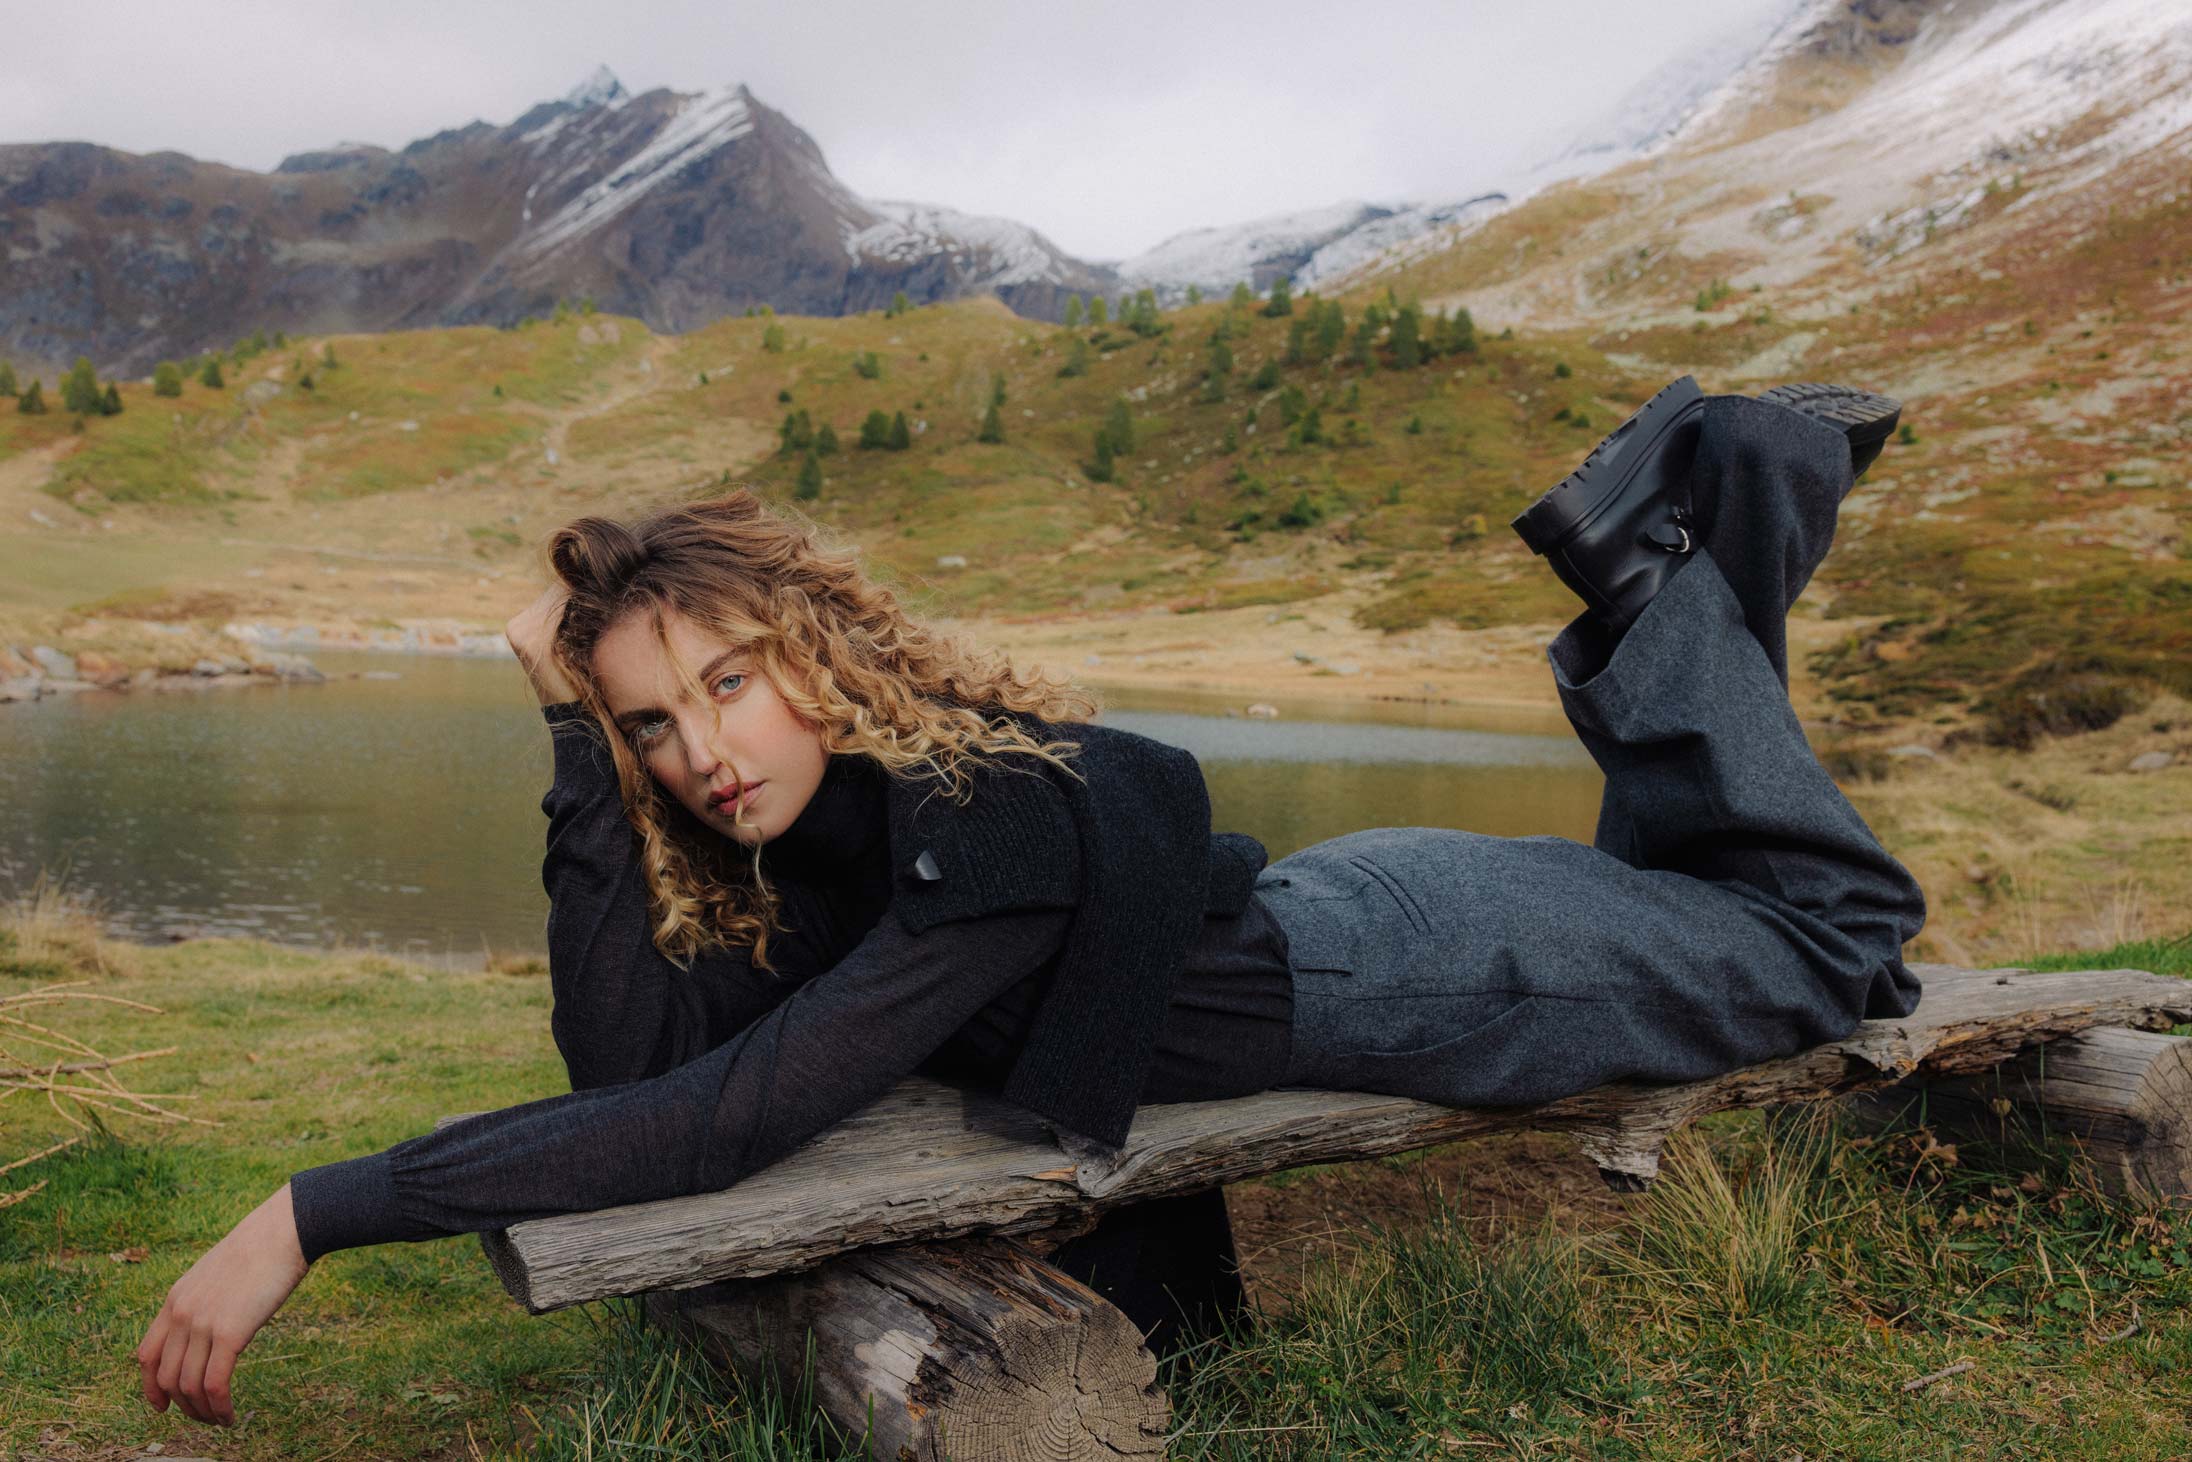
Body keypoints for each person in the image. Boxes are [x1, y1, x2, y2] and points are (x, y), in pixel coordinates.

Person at [134, 376, 1926, 1428]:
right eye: (651, 727)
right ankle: (1680, 538)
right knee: (1709, 892)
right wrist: (564, 740)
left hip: (1421, 971)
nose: (703, 752)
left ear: (815, 652)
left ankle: (1702, 524)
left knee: (1838, 949)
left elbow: (722, 1114)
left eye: (732, 684)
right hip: (1333, 917)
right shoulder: (820, 837)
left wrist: (321, 1206)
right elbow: (632, 1065)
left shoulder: (967, 823)